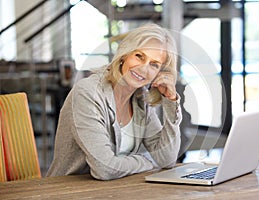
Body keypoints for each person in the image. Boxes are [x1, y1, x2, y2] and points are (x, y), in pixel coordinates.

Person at [46, 23, 182, 180]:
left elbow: (167, 158)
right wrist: (148, 161)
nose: (144, 69)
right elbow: (105, 168)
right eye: (139, 56)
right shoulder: (88, 93)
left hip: (113, 191)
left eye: (154, 64)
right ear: (124, 54)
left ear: (160, 73)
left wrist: (171, 101)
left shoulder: (140, 100)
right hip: (67, 192)